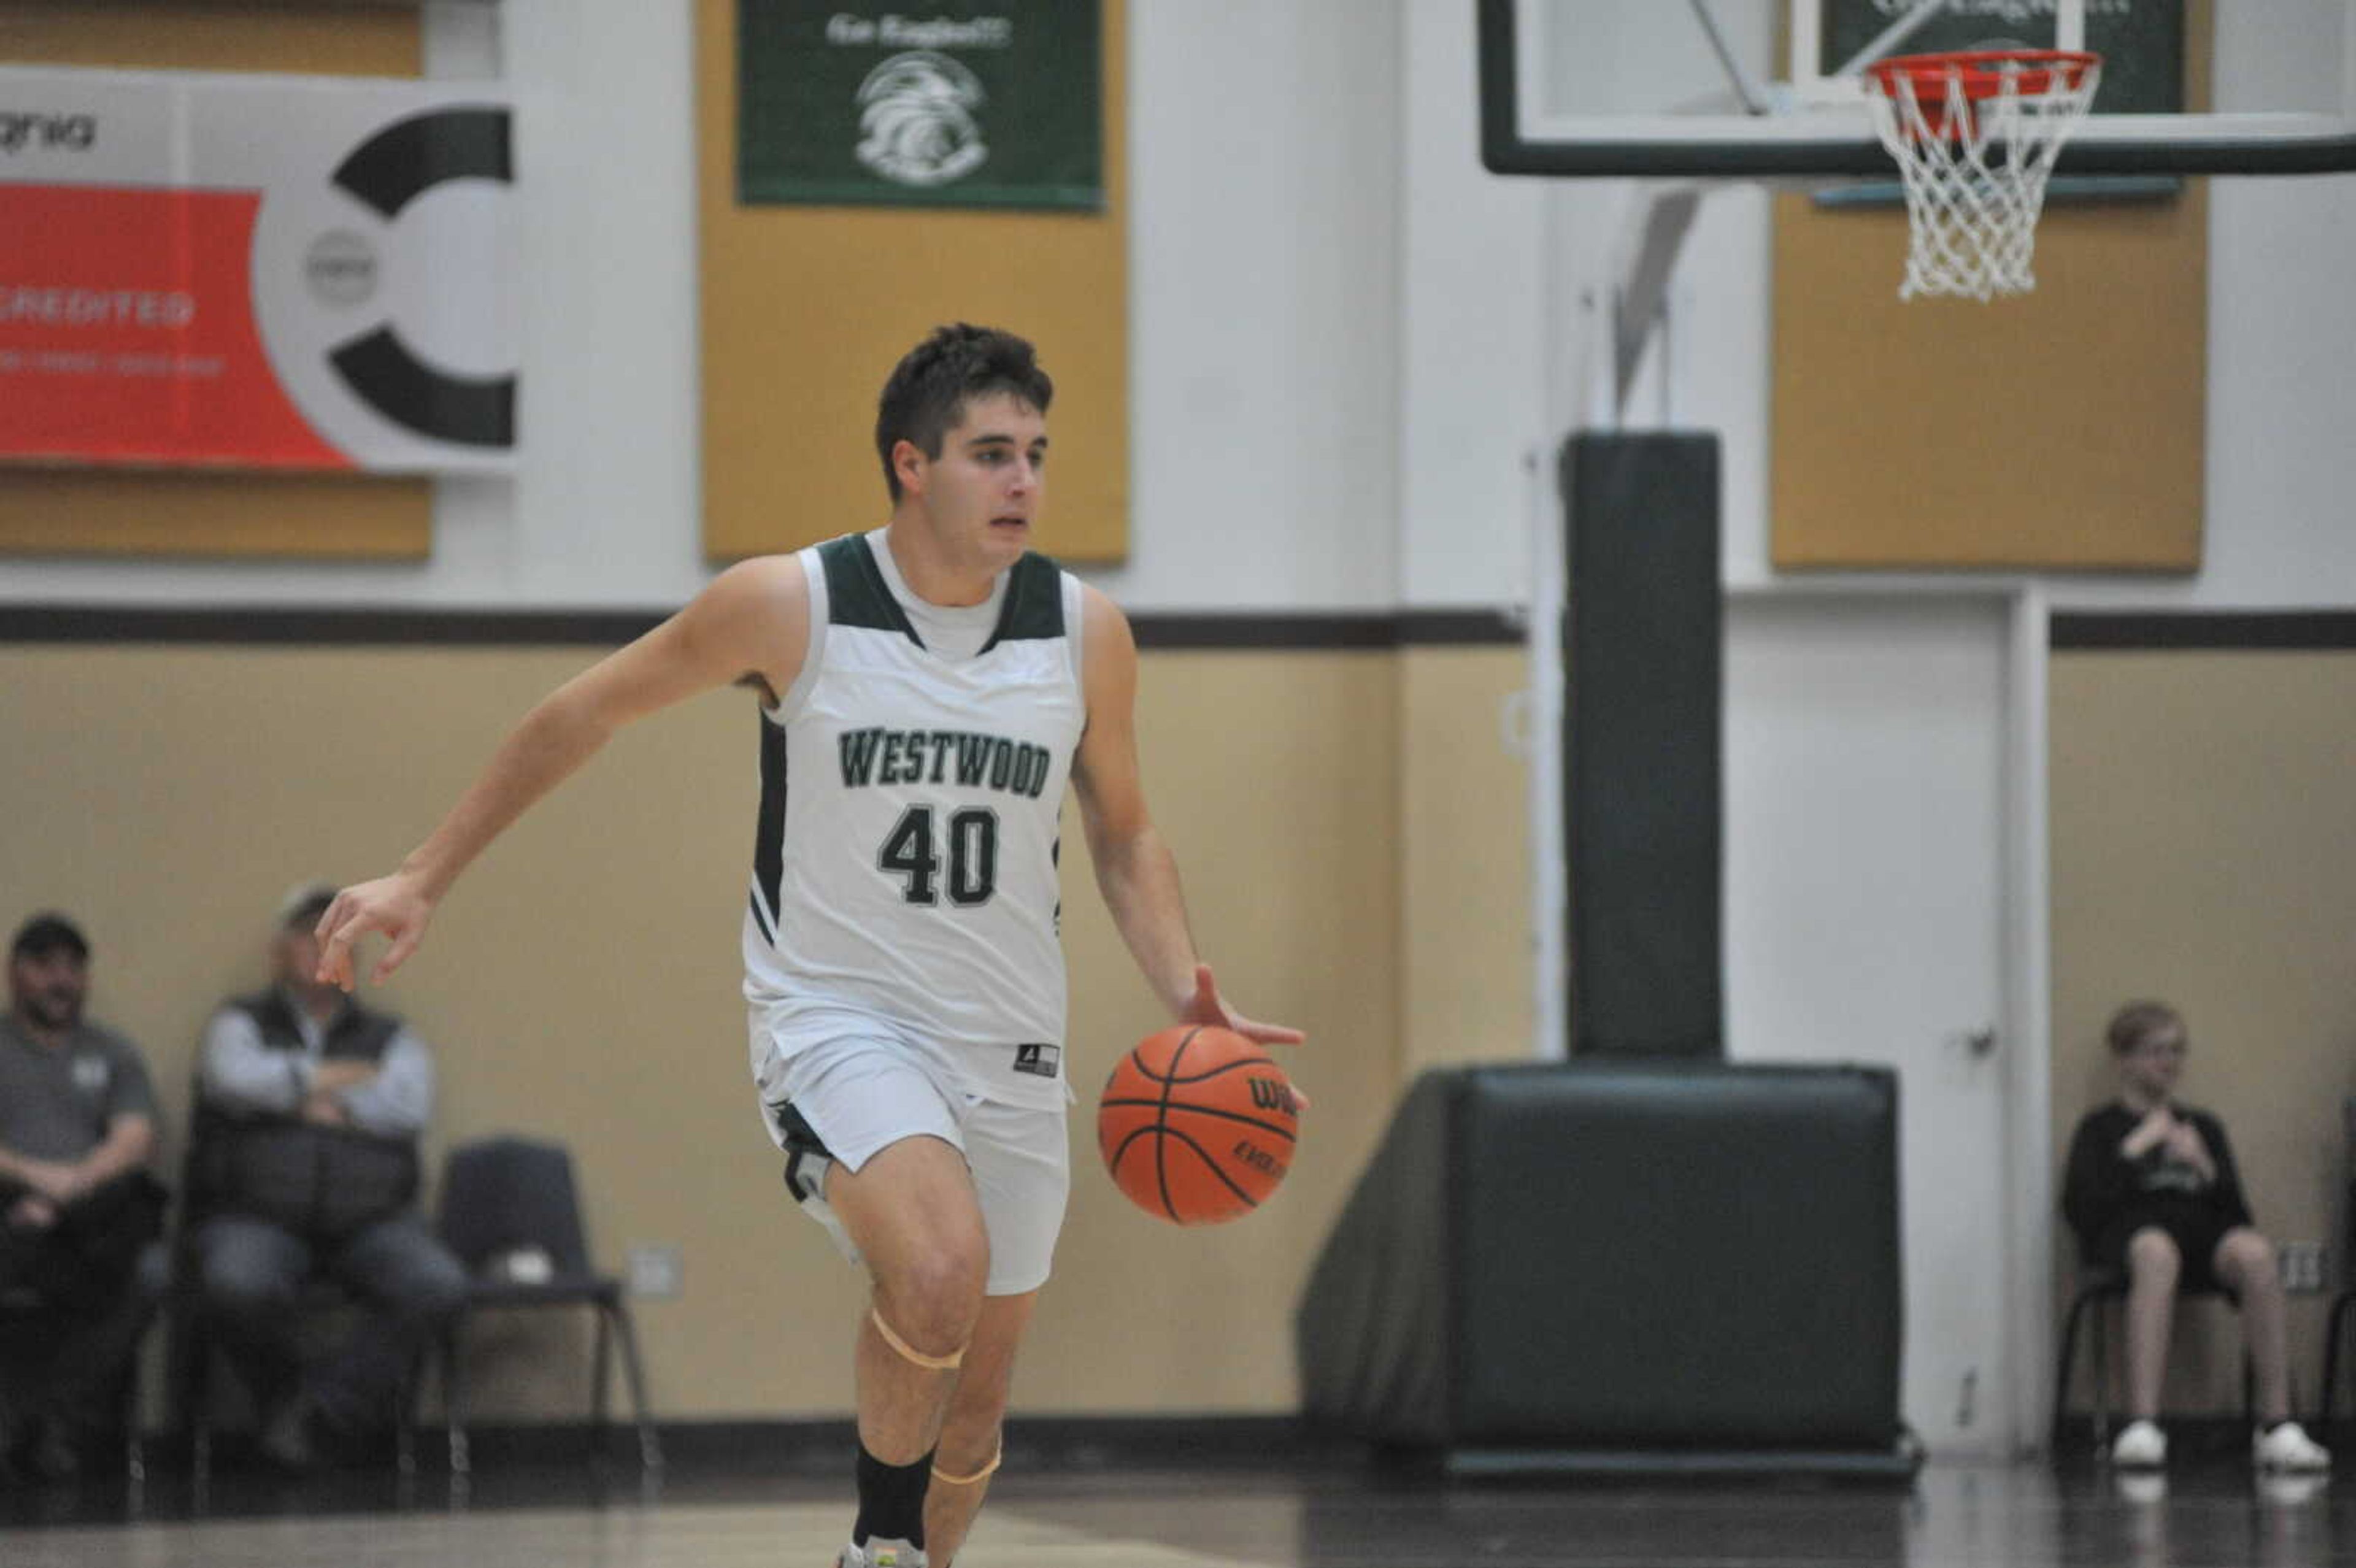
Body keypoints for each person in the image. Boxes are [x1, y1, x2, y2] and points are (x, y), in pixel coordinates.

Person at [314, 324, 1303, 1567]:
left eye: (1036, 456)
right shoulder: (794, 604)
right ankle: (874, 1551)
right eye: (990, 454)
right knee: (938, 1264)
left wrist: (1184, 990)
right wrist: (424, 874)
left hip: (1010, 1042)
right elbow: (584, 713)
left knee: (975, 1407)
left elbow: (1123, 829)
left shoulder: (1083, 632)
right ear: (910, 464)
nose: (1022, 484)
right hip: (839, 1019)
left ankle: (911, 1553)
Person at [190, 883, 466, 1470]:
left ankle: (315, 1411)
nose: (322, 945)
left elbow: (407, 1106)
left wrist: (290, 1094)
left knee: (438, 1284)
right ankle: (287, 1400)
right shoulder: (237, 1021)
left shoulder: (395, 1037)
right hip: (257, 1216)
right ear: (279, 950)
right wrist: (347, 1080)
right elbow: (232, 1080)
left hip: (372, 1221)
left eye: (336, 932)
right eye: (307, 933)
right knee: (234, 1283)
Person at [2060, 999, 2329, 1474]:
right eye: (2156, 1051)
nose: (2170, 1063)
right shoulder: (2101, 1128)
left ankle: (2278, 1425)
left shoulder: (2201, 1126)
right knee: (2156, 1251)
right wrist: (2134, 1149)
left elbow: (2239, 1213)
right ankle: (2142, 1424)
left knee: (2257, 1254)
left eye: (2177, 1051)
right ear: (2125, 1058)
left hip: (2203, 1235)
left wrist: (2203, 1164)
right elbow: (2082, 1208)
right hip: (2133, 1238)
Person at [0, 912, 168, 1481]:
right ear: (14, 973)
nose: (61, 980)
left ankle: (53, 1418)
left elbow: (135, 1137)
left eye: (73, 967)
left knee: (151, 1269)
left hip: (92, 1220)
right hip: (11, 1207)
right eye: (44, 965)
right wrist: (32, 1177)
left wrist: (71, 1189)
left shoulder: (113, 1053)